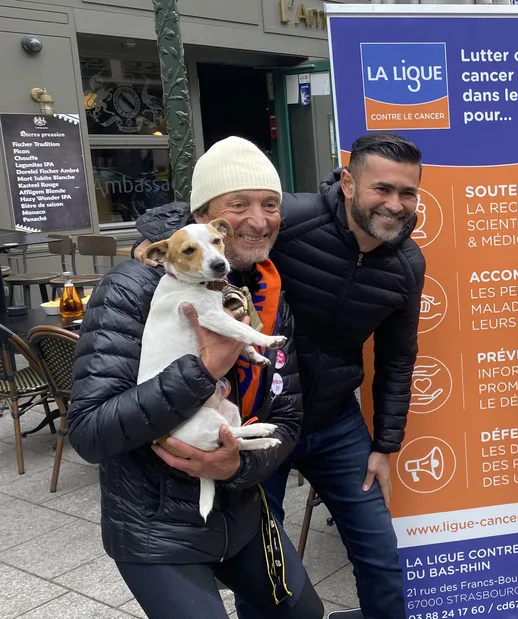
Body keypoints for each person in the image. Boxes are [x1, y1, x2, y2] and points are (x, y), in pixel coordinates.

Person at [135, 133, 426, 619]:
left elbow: (398, 357)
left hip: (335, 422)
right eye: (382, 188)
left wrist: (385, 445)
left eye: (407, 192)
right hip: (256, 416)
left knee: (381, 552)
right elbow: (215, 216)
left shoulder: (407, 262)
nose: (394, 204)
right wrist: (156, 244)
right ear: (349, 183)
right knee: (263, 572)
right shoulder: (290, 215)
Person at [67, 137, 323, 619]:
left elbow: (287, 417)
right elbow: (89, 432)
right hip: (155, 525)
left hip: (241, 511)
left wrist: (235, 467)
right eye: (239, 204)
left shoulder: (265, 292)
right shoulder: (131, 290)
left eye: (270, 204)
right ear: (204, 214)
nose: (259, 220)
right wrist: (204, 370)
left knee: (304, 613)